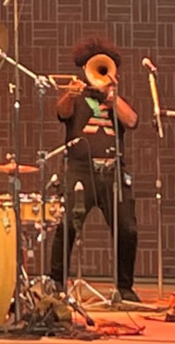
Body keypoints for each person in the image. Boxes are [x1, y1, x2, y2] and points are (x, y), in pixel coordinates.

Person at [48, 35, 141, 303]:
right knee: (67, 225)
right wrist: (68, 93)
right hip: (80, 169)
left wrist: (113, 96)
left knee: (127, 227)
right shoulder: (76, 96)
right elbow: (62, 113)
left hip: (113, 170)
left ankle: (125, 287)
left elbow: (132, 121)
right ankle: (57, 282)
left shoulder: (115, 99)